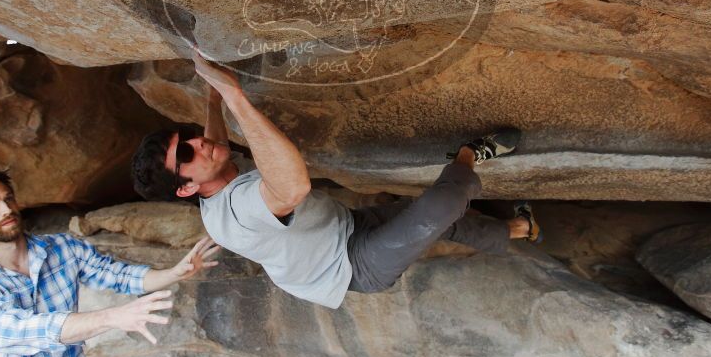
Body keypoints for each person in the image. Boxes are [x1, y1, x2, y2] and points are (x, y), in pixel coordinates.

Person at [132, 55, 541, 309]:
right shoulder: (233, 214)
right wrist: (235, 94)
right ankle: (470, 153)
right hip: (351, 267)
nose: (197, 144)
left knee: (441, 223)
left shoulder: (213, 167)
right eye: (184, 155)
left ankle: (520, 229)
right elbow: (293, 189)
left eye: (186, 137)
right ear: (186, 189)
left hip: (347, 225)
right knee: (438, 209)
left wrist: (212, 97)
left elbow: (214, 140)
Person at [0, 169, 220, 357]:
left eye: (8, 199)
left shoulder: (62, 248)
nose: (6, 210)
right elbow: (18, 330)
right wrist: (112, 317)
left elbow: (119, 275)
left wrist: (175, 272)